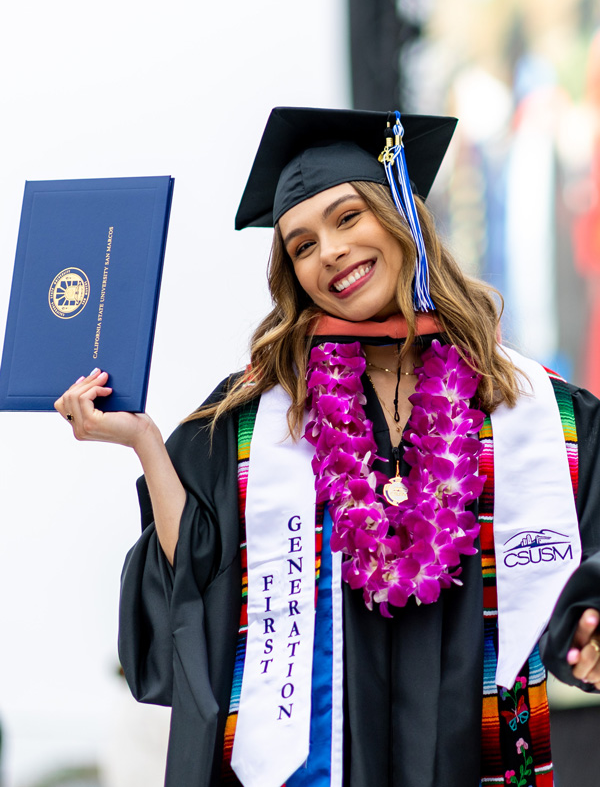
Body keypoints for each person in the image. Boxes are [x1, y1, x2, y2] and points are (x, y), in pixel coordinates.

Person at [55, 107, 600, 787]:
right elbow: (198, 583)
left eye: (347, 219)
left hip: (478, 750)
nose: (330, 252)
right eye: (302, 245)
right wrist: (144, 445)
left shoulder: (532, 408)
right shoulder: (258, 417)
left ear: (400, 217)